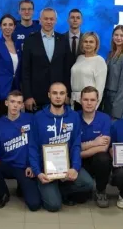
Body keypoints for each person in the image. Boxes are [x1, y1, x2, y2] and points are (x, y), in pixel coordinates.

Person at [29, 82, 93, 211]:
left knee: (88, 184)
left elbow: (76, 145)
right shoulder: (38, 117)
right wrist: (38, 172)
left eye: (62, 93)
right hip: (45, 168)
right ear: (49, 95)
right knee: (53, 206)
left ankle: (59, 190)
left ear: (66, 96)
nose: (58, 96)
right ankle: (46, 189)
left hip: (66, 165)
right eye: (55, 93)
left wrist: (75, 168)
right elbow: (33, 147)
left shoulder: (74, 116)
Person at [0, 90, 40, 211]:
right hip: (6, 164)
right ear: (6, 103)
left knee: (34, 204)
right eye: (12, 102)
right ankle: (3, 194)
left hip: (24, 167)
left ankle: (22, 187)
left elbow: (36, 145)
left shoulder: (31, 119)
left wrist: (32, 165)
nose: (15, 105)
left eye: (19, 103)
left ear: (22, 105)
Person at [22, 8, 72, 112]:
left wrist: (67, 94)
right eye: (46, 19)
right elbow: (25, 70)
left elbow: (67, 70)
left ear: (55, 21)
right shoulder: (30, 40)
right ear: (40, 20)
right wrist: (27, 96)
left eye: (51, 19)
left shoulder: (63, 40)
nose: (49, 22)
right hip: (35, 97)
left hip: (58, 96)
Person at [78, 86, 112, 208]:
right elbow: (71, 147)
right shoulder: (73, 118)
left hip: (94, 159)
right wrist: (94, 142)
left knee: (103, 158)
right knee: (81, 198)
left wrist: (80, 151)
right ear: (80, 100)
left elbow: (103, 148)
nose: (89, 103)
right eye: (85, 99)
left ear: (97, 101)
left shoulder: (105, 118)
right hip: (77, 162)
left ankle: (101, 191)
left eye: (92, 100)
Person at [0, 14, 22, 117]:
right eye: (4, 25)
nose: (7, 27)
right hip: (2, 92)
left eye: (10, 25)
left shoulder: (18, 45)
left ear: (14, 27)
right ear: (0, 26)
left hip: (16, 90)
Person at [70, 32, 107, 111]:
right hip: (76, 101)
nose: (88, 44)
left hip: (89, 103)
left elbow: (100, 88)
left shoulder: (100, 61)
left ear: (96, 44)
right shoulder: (80, 58)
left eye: (91, 42)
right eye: (85, 41)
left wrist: (94, 108)